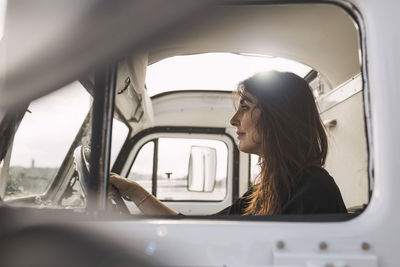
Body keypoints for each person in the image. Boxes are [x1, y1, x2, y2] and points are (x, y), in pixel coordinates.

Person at [109, 71, 347, 216]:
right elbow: (207, 230)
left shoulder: (313, 191)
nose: (234, 120)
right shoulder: (269, 187)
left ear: (278, 118)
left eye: (245, 108)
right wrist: (132, 190)